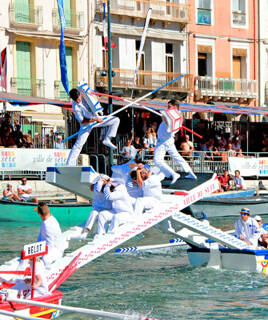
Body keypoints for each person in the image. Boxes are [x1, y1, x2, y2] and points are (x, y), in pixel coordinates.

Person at [66, 88, 120, 166]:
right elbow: (82, 121)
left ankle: (107, 139)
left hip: (96, 117)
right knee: (79, 144)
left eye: (78, 98)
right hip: (86, 124)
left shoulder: (84, 93)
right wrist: (95, 119)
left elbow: (92, 94)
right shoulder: (75, 106)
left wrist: (97, 93)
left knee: (116, 120)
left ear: (80, 94)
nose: (78, 101)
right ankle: (69, 164)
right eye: (76, 100)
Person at [154, 99, 197, 184]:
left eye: (169, 106)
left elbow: (170, 127)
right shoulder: (176, 115)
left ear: (174, 107)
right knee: (176, 157)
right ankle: (190, 172)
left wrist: (164, 117)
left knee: (157, 160)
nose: (168, 108)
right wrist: (164, 116)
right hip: (166, 140)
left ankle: (172, 174)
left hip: (164, 141)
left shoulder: (176, 116)